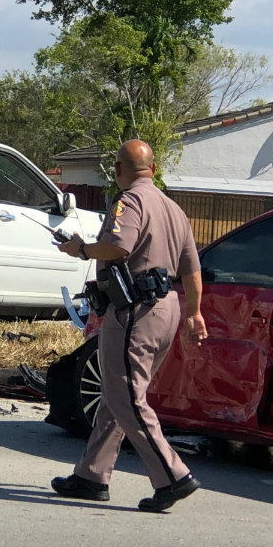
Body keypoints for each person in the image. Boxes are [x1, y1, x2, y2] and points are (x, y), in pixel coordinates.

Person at [50, 139, 208, 513]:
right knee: (117, 395)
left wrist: (83, 249)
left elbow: (119, 246)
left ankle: (173, 477)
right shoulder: (173, 209)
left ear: (120, 170)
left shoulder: (130, 201)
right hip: (166, 309)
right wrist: (195, 313)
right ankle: (91, 476)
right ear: (153, 169)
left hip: (135, 312)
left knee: (127, 399)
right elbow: (192, 269)